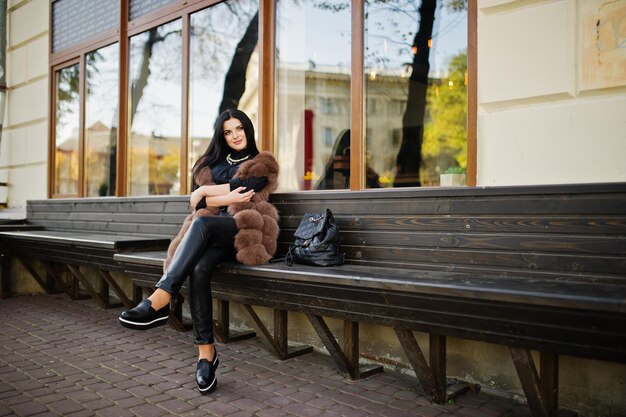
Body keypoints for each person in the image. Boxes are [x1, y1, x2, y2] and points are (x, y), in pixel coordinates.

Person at [118, 108, 280, 394]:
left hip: (245, 232)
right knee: (199, 267)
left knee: (204, 222)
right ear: (221, 136)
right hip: (211, 237)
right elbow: (197, 203)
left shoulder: (262, 162)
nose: (235, 135)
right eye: (228, 132)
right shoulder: (209, 165)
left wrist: (205, 193)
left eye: (239, 128)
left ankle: (161, 298)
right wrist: (213, 195)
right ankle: (206, 356)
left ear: (248, 129)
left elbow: (245, 190)